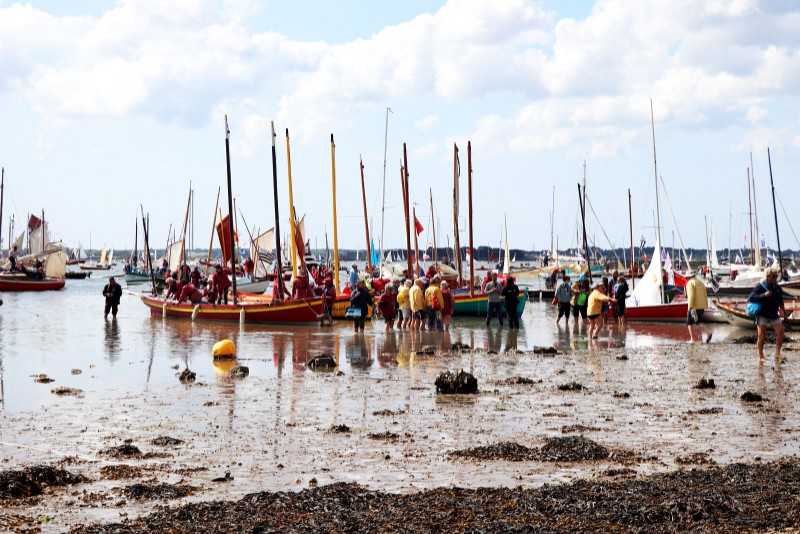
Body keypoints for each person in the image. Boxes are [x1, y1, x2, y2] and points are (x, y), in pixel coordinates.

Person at [749, 266, 786, 362]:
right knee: (761, 335)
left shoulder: (777, 287)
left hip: (774, 314)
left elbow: (780, 300)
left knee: (781, 332)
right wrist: (763, 295)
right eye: (773, 276)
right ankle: (761, 356)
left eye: (776, 276)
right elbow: (752, 298)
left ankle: (777, 354)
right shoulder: (761, 286)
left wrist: (784, 311)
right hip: (762, 314)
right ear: (768, 276)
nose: (775, 278)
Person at [685, 270, 712, 344]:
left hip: (694, 306)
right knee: (698, 321)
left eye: (686, 277)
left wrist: (690, 306)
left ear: (688, 277)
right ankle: (708, 332)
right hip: (702, 306)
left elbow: (691, 295)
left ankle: (692, 339)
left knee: (689, 323)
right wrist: (705, 305)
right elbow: (705, 295)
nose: (686, 279)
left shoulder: (690, 283)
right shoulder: (700, 283)